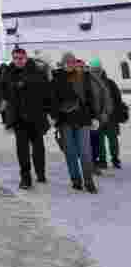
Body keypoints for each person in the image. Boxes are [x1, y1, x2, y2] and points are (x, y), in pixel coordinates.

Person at [52, 53, 107, 192]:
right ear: (63, 63)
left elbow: (90, 98)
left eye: (72, 62)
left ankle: (89, 181)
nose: (70, 64)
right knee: (70, 152)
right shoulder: (56, 78)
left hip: (83, 119)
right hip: (65, 121)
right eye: (67, 62)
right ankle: (75, 180)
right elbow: (52, 100)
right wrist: (56, 114)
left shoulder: (83, 77)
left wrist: (94, 116)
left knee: (85, 152)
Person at [0, 47, 51, 189]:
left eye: (20, 58)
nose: (18, 61)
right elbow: (3, 95)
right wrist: (6, 118)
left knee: (38, 147)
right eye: (15, 58)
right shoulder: (7, 73)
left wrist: (50, 114)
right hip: (18, 118)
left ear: (25, 58)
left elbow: (46, 94)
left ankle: (40, 172)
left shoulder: (37, 72)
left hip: (36, 116)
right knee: (22, 150)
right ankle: (25, 178)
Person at [87, 59, 116, 172]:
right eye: (94, 70)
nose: (96, 72)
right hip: (93, 117)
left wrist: (106, 113)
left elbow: (110, 99)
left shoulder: (107, 82)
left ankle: (114, 159)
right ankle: (98, 162)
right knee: (97, 141)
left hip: (105, 116)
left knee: (109, 139)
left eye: (98, 70)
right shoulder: (88, 82)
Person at [97, 67, 127, 168]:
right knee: (105, 140)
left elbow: (118, 99)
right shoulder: (110, 82)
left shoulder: (108, 83)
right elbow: (118, 99)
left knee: (108, 139)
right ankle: (110, 160)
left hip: (108, 117)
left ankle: (107, 160)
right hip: (105, 117)